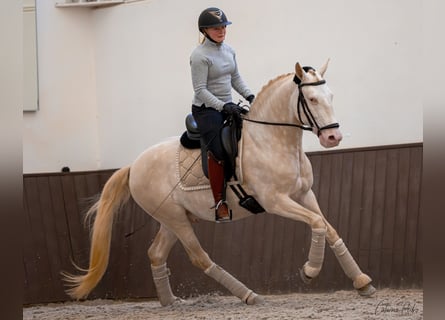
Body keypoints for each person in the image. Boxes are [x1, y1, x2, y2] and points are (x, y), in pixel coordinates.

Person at [190, 7, 255, 222]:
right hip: (206, 109)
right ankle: (220, 202)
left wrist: (251, 97)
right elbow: (200, 90)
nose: (221, 31)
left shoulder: (229, 51)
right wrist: (222, 106)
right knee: (217, 149)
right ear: (205, 30)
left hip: (228, 105)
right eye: (216, 27)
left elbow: (235, 78)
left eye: (223, 27)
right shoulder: (199, 56)